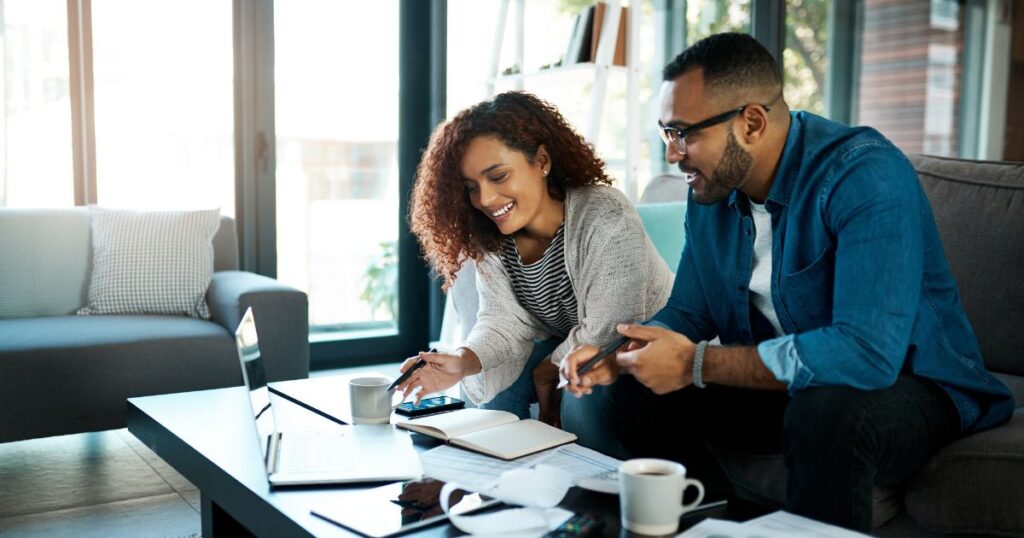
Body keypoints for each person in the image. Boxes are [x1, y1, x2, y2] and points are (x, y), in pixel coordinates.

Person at [561, 33, 1014, 532]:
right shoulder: (713, 189)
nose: (672, 154)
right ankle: (715, 522)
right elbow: (689, 312)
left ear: (752, 122)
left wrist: (694, 363)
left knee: (825, 413)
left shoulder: (863, 175)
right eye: (666, 133)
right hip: (789, 388)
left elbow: (866, 354)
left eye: (684, 134)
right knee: (629, 393)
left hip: (912, 386)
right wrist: (624, 354)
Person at [400, 91, 673, 442]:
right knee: (497, 391)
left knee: (580, 395)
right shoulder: (492, 237)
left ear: (542, 161)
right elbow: (502, 322)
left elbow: (611, 329)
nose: (484, 199)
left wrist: (547, 371)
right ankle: (499, 467)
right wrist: (462, 361)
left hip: (639, 346)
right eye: (471, 187)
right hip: (572, 342)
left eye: (498, 176)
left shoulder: (605, 214)